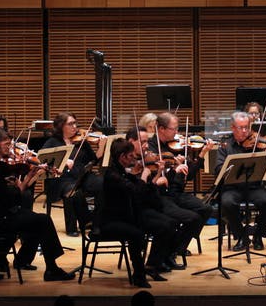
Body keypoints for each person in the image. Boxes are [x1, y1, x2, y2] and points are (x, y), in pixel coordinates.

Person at [0, 126, 74, 282]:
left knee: (32, 219)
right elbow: (10, 200)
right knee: (43, 220)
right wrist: (25, 182)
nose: (8, 149)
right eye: (4, 145)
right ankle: (52, 269)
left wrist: (24, 179)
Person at [97, 126, 184, 287]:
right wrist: (143, 176)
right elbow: (136, 191)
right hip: (112, 220)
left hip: (128, 215)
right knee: (137, 234)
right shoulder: (113, 174)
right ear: (122, 157)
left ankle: (153, 265)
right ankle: (139, 275)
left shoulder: (122, 171)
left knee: (170, 224)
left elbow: (142, 191)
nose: (133, 159)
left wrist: (155, 176)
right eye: (130, 156)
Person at [151, 111, 209, 265]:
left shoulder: (176, 146)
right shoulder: (152, 148)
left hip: (176, 193)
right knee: (191, 218)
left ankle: (177, 248)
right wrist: (173, 169)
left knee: (205, 209)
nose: (177, 133)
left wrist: (202, 154)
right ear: (161, 129)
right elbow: (157, 177)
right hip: (161, 195)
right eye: (174, 129)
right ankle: (172, 250)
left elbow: (189, 176)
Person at [214, 111, 266, 250]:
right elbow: (218, 168)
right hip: (232, 187)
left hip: (254, 187)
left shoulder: (257, 144)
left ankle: (258, 235)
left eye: (246, 127)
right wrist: (230, 166)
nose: (244, 131)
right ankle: (242, 236)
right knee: (227, 203)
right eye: (240, 128)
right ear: (232, 128)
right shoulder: (225, 145)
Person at [41, 112, 101, 237]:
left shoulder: (82, 141)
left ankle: (97, 221)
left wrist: (102, 146)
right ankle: (75, 225)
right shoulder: (53, 142)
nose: (75, 126)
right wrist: (63, 162)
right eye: (70, 124)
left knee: (102, 184)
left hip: (82, 176)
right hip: (61, 179)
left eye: (75, 123)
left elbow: (94, 160)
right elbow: (43, 161)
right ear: (61, 126)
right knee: (72, 191)